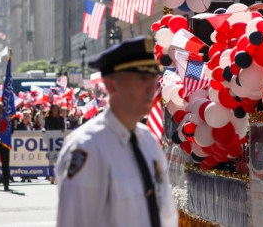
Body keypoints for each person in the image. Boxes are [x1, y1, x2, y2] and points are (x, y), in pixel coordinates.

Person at [56, 36, 178, 227]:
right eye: (142, 78)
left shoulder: (149, 142)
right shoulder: (88, 147)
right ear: (112, 85)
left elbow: (167, 217)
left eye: (154, 77)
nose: (152, 86)